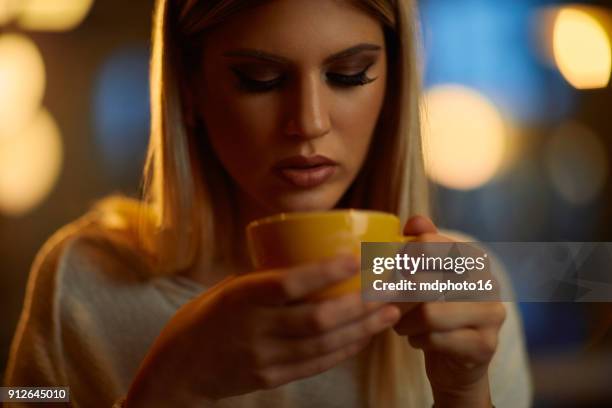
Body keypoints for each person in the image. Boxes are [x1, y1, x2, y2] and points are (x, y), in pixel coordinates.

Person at [5, 0, 532, 407]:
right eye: (260, 79)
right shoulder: (83, 279)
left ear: (393, 83)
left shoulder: (459, 288)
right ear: (189, 89)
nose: (308, 122)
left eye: (349, 74)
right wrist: (168, 388)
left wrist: (465, 391)